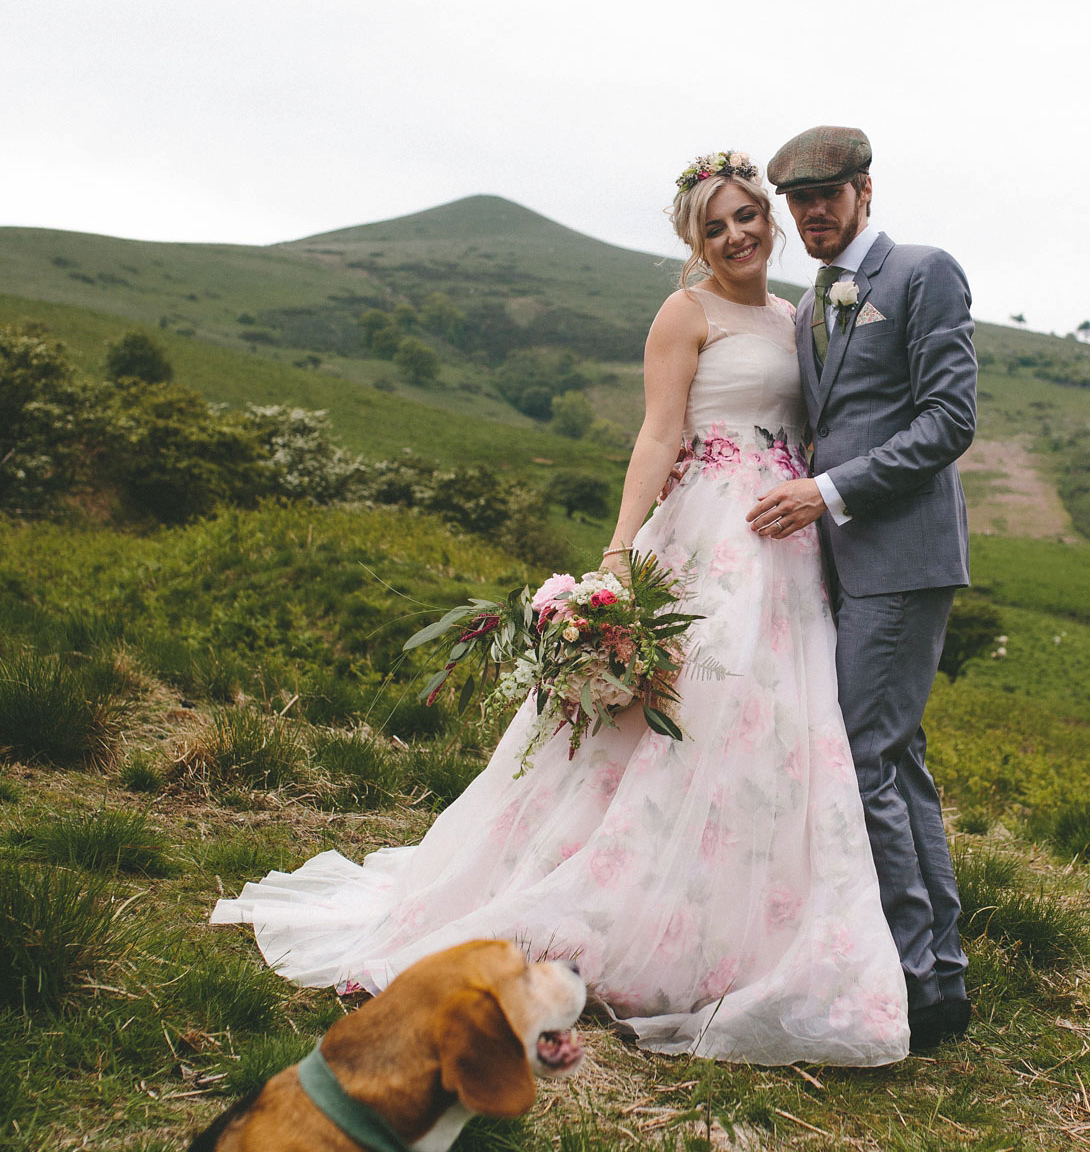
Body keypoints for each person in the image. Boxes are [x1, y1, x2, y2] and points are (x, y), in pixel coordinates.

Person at [211, 151, 908, 1068]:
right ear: (695, 241)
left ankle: (731, 927)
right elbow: (659, 431)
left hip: (782, 546)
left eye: (747, 217)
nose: (736, 234)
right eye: (716, 225)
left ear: (771, 222)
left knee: (769, 728)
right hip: (702, 532)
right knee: (676, 718)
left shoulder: (795, 314)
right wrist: (620, 551)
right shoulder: (684, 313)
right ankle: (603, 901)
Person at [746, 126, 975, 1048]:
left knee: (867, 754)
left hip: (904, 554)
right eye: (798, 202)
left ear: (864, 190)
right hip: (842, 560)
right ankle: (940, 975)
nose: (811, 214)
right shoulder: (810, 305)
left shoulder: (924, 273)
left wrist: (829, 491)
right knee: (893, 751)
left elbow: (948, 420)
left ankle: (914, 981)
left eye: (826, 197)